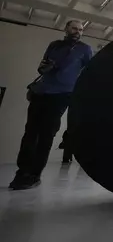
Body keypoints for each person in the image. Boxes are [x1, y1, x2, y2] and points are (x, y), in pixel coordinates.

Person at [9, 20, 93, 190]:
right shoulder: (54, 45)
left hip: (62, 96)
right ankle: (22, 172)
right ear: (66, 28)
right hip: (41, 92)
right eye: (74, 28)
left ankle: (34, 175)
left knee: (46, 134)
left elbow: (89, 71)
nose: (77, 31)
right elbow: (43, 65)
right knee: (30, 133)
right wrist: (45, 67)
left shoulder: (85, 49)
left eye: (80, 29)